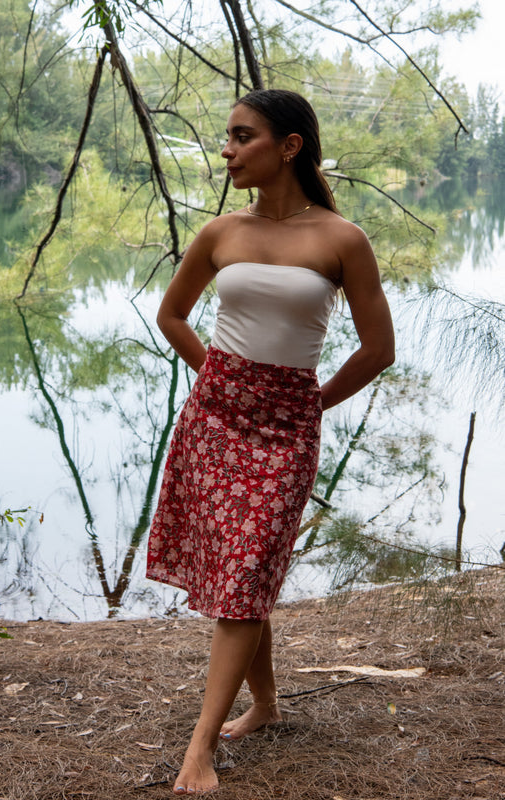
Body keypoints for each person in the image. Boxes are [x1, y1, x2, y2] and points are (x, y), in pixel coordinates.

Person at [146, 88, 395, 795]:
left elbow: (378, 350)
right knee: (241, 574)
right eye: (226, 137)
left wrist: (311, 403)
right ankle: (265, 704)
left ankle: (199, 748)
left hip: (286, 430)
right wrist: (218, 378)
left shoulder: (341, 239)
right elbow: (171, 315)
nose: (226, 150)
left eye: (241, 136)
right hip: (215, 421)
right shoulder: (220, 232)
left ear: (289, 146)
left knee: (247, 568)